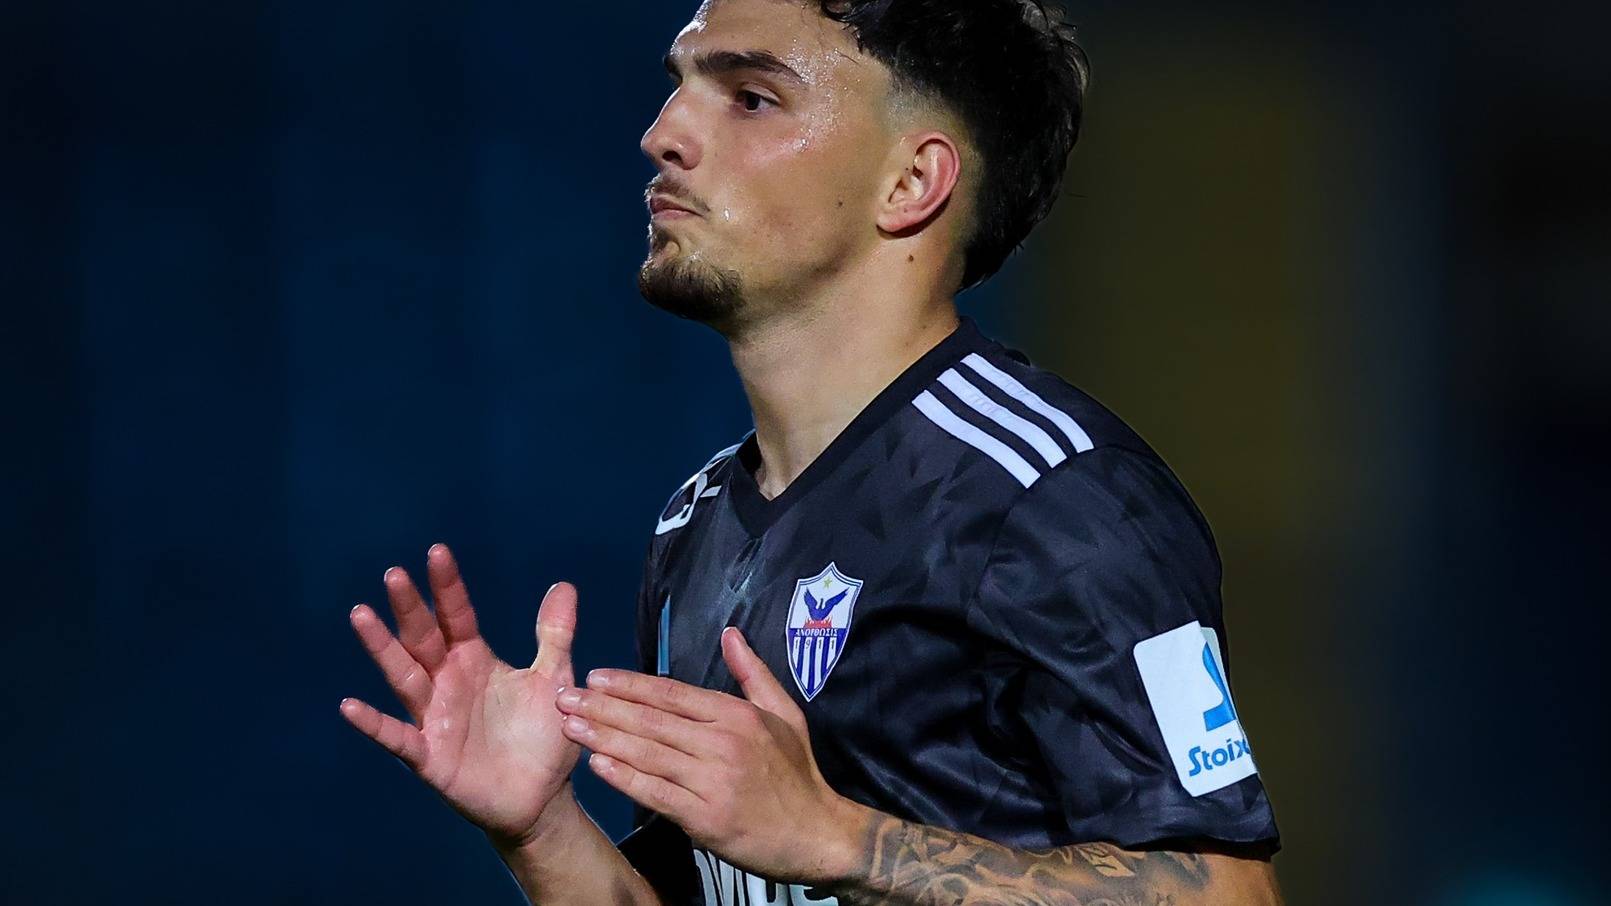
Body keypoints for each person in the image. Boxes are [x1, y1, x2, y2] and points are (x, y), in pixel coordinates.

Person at [339, 0, 1285, 902]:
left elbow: (1228, 897)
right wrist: (542, 830)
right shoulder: (695, 524)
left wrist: (834, 838)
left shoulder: (1056, 497)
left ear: (910, 183)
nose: (663, 134)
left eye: (751, 97)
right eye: (678, 86)